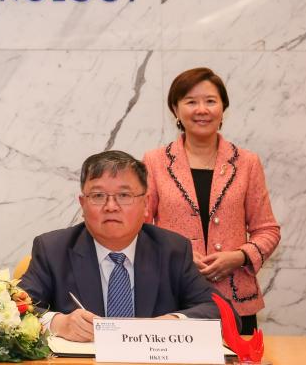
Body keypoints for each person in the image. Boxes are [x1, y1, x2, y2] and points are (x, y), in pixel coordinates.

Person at [20, 150, 222, 342]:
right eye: (98, 196)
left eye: (124, 196)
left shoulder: (172, 249)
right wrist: (58, 323)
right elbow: (13, 310)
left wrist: (173, 323)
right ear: (82, 204)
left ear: (145, 204)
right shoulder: (53, 249)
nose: (111, 207)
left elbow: (221, 311)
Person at [144, 67, 280, 335]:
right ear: (176, 109)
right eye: (191, 102)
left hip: (236, 299)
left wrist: (238, 256)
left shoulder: (247, 163)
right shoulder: (155, 161)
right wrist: (177, 256)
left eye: (210, 101)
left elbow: (268, 230)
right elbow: (141, 229)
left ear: (223, 108)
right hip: (174, 300)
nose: (201, 109)